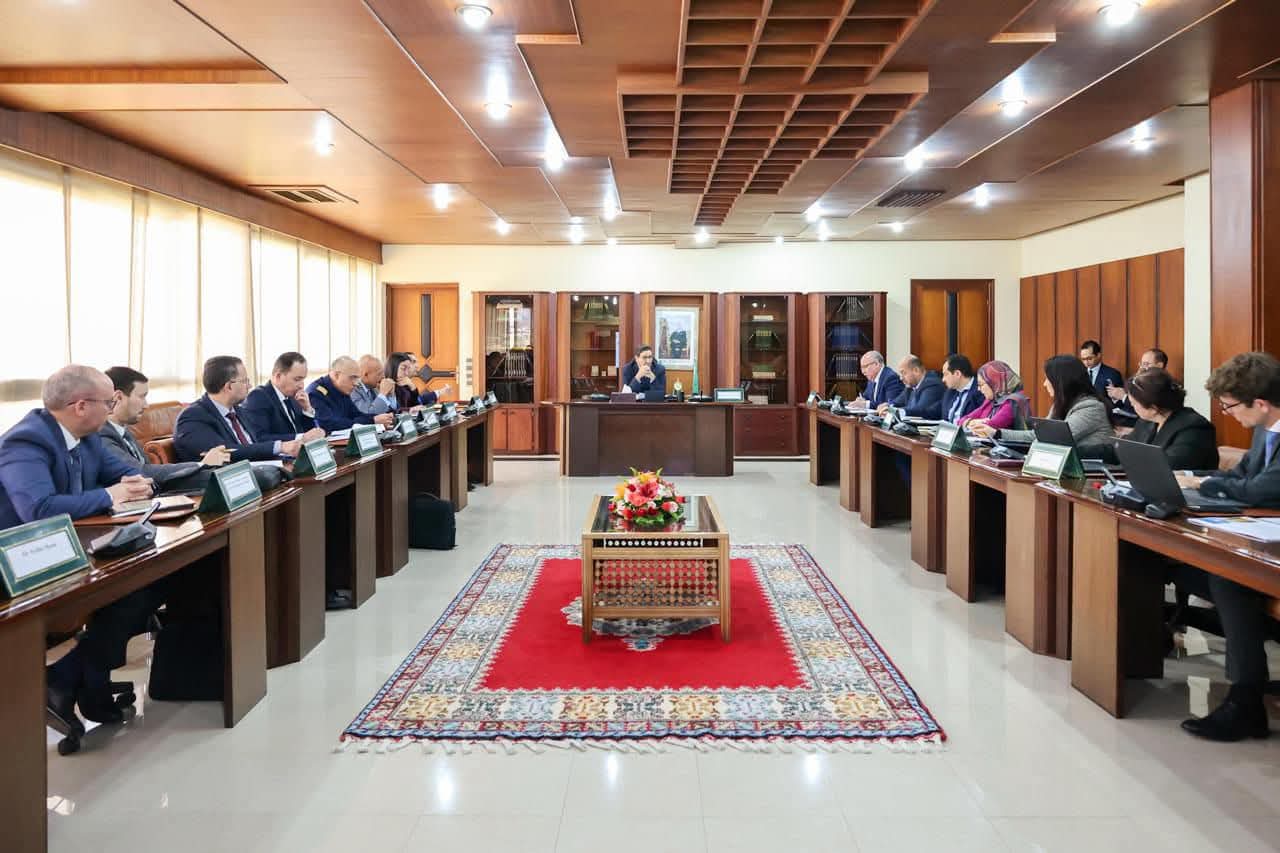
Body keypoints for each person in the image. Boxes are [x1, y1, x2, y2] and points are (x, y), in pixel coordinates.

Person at [0, 366, 157, 738]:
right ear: (81, 406)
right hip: (19, 564)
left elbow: (124, 476)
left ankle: (74, 675)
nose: (112, 409)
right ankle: (77, 678)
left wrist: (136, 484)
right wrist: (109, 495)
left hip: (70, 550)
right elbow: (39, 510)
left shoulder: (87, 438)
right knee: (126, 590)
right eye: (108, 402)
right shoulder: (26, 442)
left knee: (145, 580)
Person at [1171, 352, 1280, 741]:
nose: (1227, 414)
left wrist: (1207, 485)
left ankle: (1245, 701)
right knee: (1182, 564)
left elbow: (1261, 489)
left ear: (1261, 403)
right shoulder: (1265, 429)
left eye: (1230, 406)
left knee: (1228, 578)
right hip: (1265, 535)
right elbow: (1243, 477)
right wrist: (1204, 482)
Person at [100, 366, 232, 489]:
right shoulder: (102, 434)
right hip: (129, 501)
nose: (146, 405)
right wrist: (202, 464)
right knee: (222, 480)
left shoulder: (123, 430)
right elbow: (141, 472)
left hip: (154, 492)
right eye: (142, 397)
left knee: (226, 476)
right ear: (118, 397)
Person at [174, 356, 303, 462]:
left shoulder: (238, 411)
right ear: (229, 386)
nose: (250, 386)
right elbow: (225, 452)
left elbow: (256, 444)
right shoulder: (193, 416)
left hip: (259, 467)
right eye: (245, 381)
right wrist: (280, 446)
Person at [974, 355, 1112, 450]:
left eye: (1047, 379)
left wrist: (997, 433)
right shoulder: (1059, 405)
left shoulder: (1091, 408)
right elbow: (1037, 434)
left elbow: (1050, 438)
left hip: (1093, 475)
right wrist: (996, 433)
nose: (1044, 384)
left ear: (1061, 382)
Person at [1125, 368, 1218, 471]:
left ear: (1153, 408)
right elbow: (1125, 447)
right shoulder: (1146, 421)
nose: (1132, 406)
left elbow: (1169, 465)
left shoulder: (1194, 428)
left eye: (1134, 403)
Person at [241, 352, 326, 445]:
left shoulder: (294, 397)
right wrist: (301, 438)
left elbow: (310, 436)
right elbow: (260, 438)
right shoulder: (258, 397)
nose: (301, 385)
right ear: (278, 376)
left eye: (303, 379)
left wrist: (307, 410)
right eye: (297, 379)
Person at [308, 356, 397, 432]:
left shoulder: (342, 389)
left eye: (357, 378)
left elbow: (357, 415)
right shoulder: (316, 393)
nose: (356, 383)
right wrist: (373, 421)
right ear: (336, 375)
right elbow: (330, 424)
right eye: (352, 378)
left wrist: (379, 419)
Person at [957, 360, 1032, 432]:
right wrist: (971, 422)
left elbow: (989, 426)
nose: (978, 389)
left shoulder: (1012, 401)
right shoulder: (991, 400)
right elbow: (960, 421)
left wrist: (969, 423)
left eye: (981, 384)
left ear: (994, 383)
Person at [1106, 348, 1168, 420]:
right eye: (1141, 364)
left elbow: (1147, 410)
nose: (1141, 368)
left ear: (1160, 365)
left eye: (1146, 364)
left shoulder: (1163, 385)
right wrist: (1115, 395)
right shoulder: (1139, 380)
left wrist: (1123, 397)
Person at [878, 354, 944, 419]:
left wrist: (898, 411)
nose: (901, 378)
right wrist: (887, 405)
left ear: (916, 370)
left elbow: (920, 410)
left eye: (904, 373)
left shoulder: (932, 384)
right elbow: (897, 402)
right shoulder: (910, 386)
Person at [384, 351, 451, 411]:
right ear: (394, 367)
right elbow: (395, 411)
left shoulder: (404, 384)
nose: (417, 366)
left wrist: (413, 387)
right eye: (413, 362)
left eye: (408, 368)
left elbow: (416, 404)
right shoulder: (386, 385)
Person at [940, 354, 985, 424]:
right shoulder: (950, 392)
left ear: (957, 374)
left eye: (946, 374)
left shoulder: (980, 390)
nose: (943, 379)